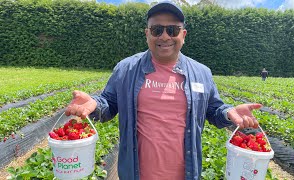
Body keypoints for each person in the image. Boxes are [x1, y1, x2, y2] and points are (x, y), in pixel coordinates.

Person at [66, 1, 262, 180]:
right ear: (147, 34)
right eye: (157, 30)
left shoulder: (202, 73)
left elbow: (214, 111)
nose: (165, 36)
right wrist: (94, 104)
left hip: (186, 174)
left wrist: (229, 112)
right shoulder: (126, 69)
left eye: (172, 30)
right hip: (136, 174)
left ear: (183, 35)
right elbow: (108, 104)